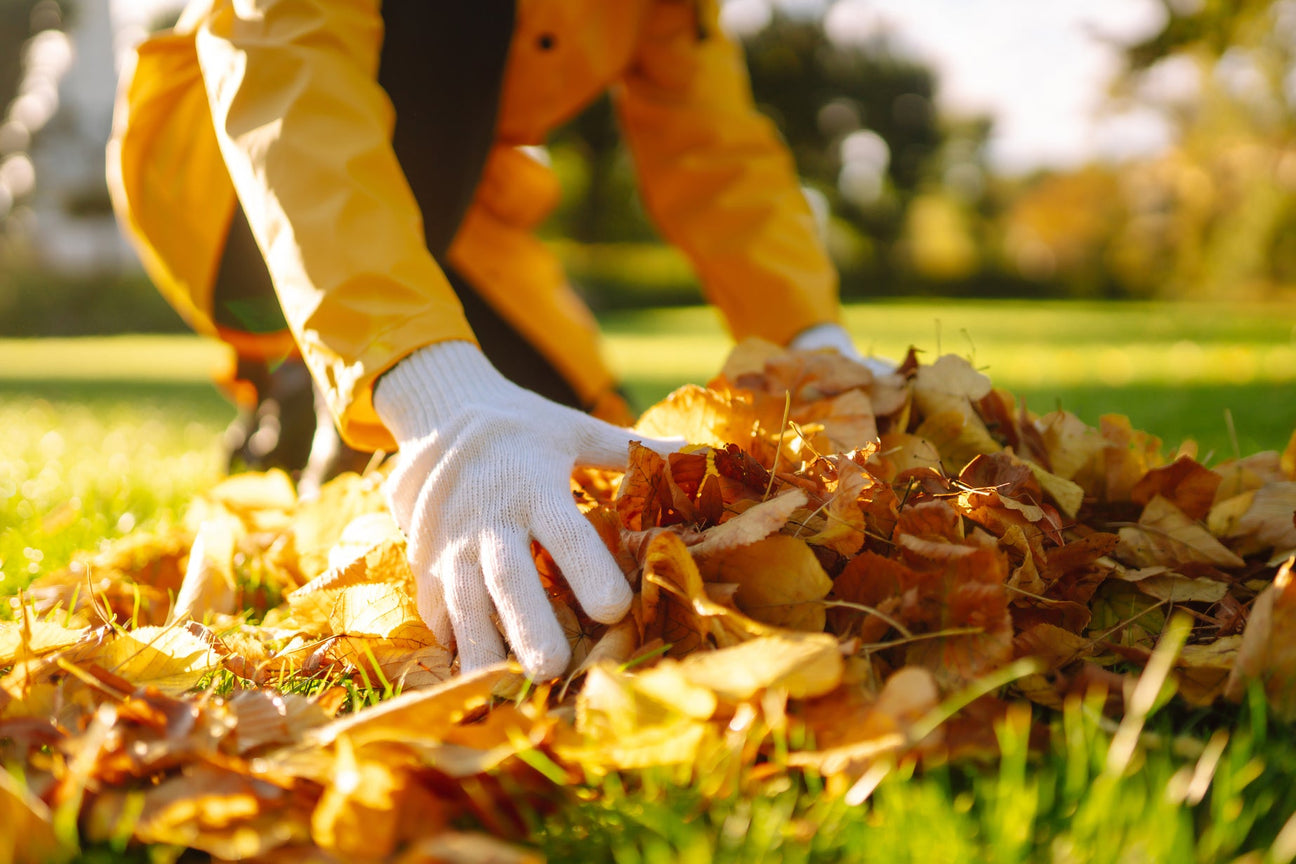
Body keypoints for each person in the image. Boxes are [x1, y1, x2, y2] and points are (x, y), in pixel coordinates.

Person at [107, 0, 885, 681]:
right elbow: (288, 58)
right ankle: (329, 391)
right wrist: (431, 387)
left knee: (572, 438)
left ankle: (299, 407)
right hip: (232, 166)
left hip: (444, 217)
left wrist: (813, 342)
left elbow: (718, 158)